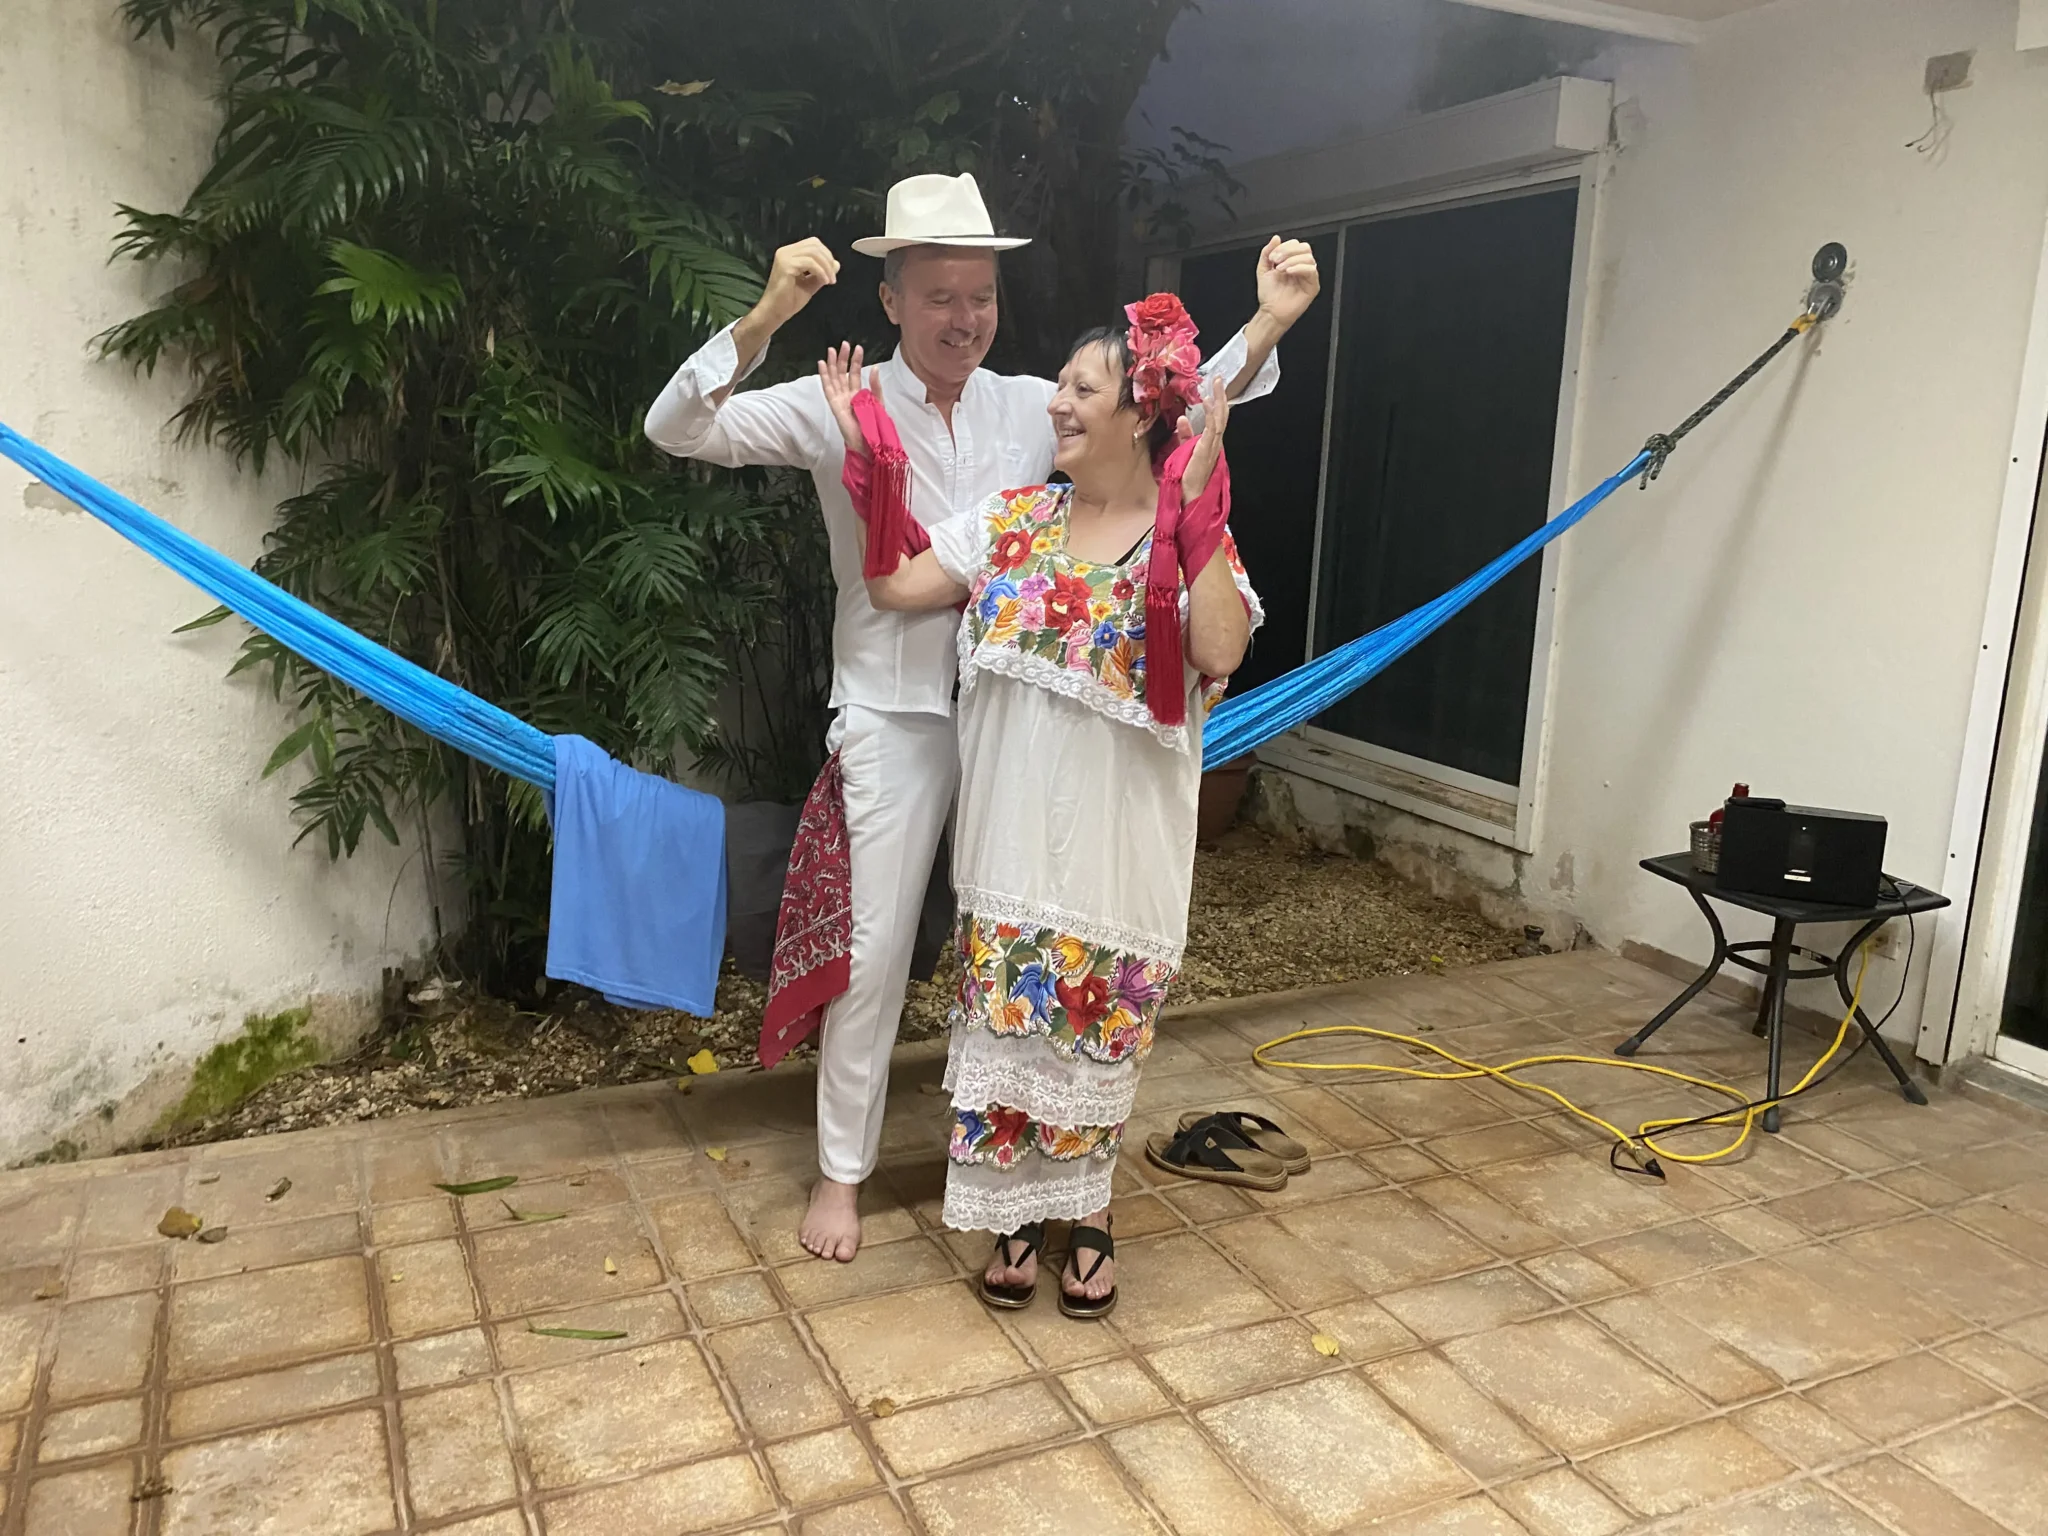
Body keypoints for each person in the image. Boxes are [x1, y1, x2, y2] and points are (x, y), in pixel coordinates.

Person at [643, 170, 1320, 1263]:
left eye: (983, 296)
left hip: (1030, 723)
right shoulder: (834, 401)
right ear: (893, 300)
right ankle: (841, 1177)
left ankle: (1041, 1169)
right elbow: (677, 426)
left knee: (1039, 941)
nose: (966, 319)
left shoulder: (1029, 403)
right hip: (896, 716)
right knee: (872, 956)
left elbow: (1173, 401)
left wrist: (1265, 320)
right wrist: (766, 315)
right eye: (943, 296)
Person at [828, 285, 1286, 1316]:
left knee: (1088, 1044)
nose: (1056, 406)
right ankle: (1015, 1215)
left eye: (1081, 388)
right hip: (1006, 854)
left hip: (1114, 866)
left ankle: (1089, 1214)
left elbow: (1218, 649)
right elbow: (899, 585)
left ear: (1138, 411)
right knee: (1011, 1041)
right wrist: (866, 440)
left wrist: (1198, 508)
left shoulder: (1176, 541)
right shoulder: (1010, 521)